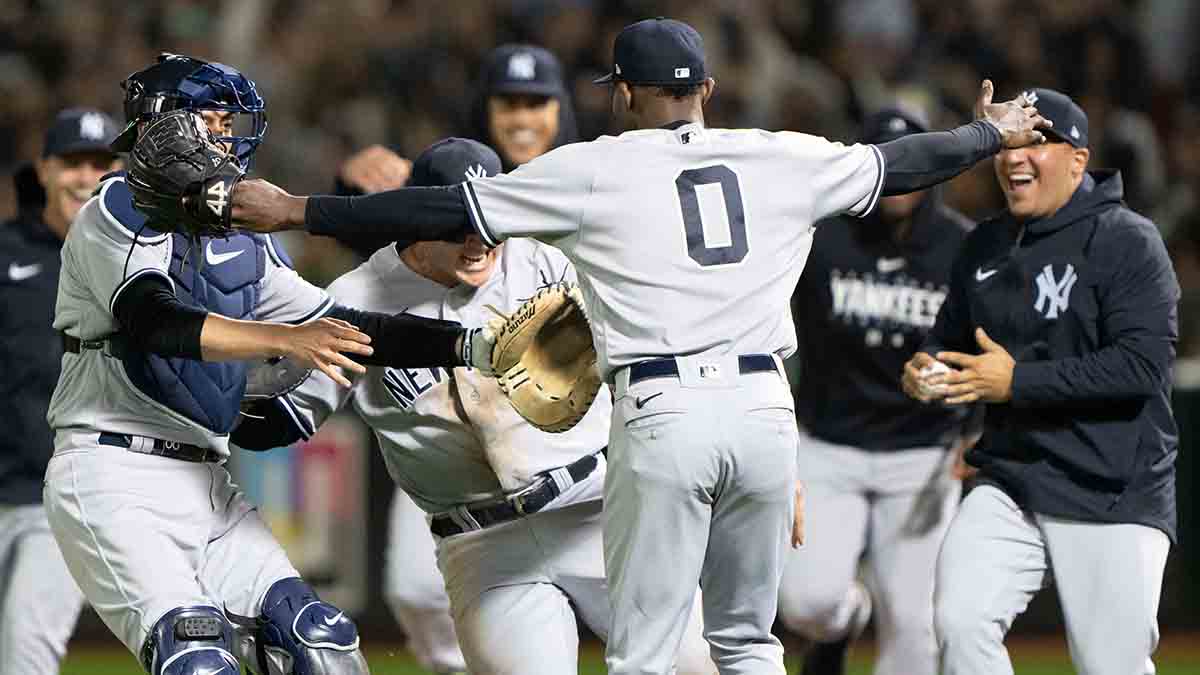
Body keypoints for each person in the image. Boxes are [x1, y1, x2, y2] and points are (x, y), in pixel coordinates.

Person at [225, 18, 1047, 674]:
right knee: (749, 646)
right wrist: (987, 135)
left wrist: (299, 209)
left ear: (621, 94)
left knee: (647, 658)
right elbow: (902, 164)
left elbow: (425, 211)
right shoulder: (780, 155)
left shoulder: (594, 171)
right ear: (709, 91)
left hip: (660, 415)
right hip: (761, 406)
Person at [42, 55, 486, 675]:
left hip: (207, 480)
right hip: (111, 473)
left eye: (231, 121)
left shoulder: (243, 233)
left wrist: (472, 346)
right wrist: (284, 336)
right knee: (197, 658)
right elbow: (155, 322)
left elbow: (350, 327)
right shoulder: (113, 210)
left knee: (324, 646)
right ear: (166, 126)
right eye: (215, 120)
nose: (229, 136)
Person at [233, 137, 716, 675]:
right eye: (456, 225)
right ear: (416, 217)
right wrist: (227, 374)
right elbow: (284, 418)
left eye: (488, 223)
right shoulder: (359, 297)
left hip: (599, 511)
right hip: (484, 546)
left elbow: (659, 350)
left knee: (698, 665)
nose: (477, 241)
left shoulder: (549, 260)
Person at [902, 88, 1178, 675]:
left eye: (1037, 141)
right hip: (1011, 477)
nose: (1015, 156)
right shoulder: (984, 244)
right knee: (960, 621)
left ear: (1079, 160)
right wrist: (928, 367)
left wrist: (1018, 382)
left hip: (1111, 485)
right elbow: (949, 337)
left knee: (1111, 665)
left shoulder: (1127, 240)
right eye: (1009, 141)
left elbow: (1143, 366)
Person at [327, 44, 583, 673]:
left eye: (537, 101)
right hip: (459, 466)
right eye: (508, 102)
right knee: (416, 589)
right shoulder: (453, 178)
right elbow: (375, 239)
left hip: (582, 459)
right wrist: (345, 190)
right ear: (484, 110)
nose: (523, 115)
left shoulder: (587, 181)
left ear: (561, 110)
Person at [777, 108, 977, 675]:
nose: (899, 180)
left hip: (923, 454)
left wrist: (978, 427)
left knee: (916, 631)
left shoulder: (961, 245)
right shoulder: (819, 237)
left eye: (908, 162)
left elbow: (992, 338)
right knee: (807, 605)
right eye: (887, 164)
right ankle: (847, 620)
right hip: (829, 445)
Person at [0, 107, 119, 675]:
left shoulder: (131, 261)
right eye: (74, 162)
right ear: (45, 169)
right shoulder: (5, 253)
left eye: (101, 164)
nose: (87, 176)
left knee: (27, 652)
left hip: (61, 495)